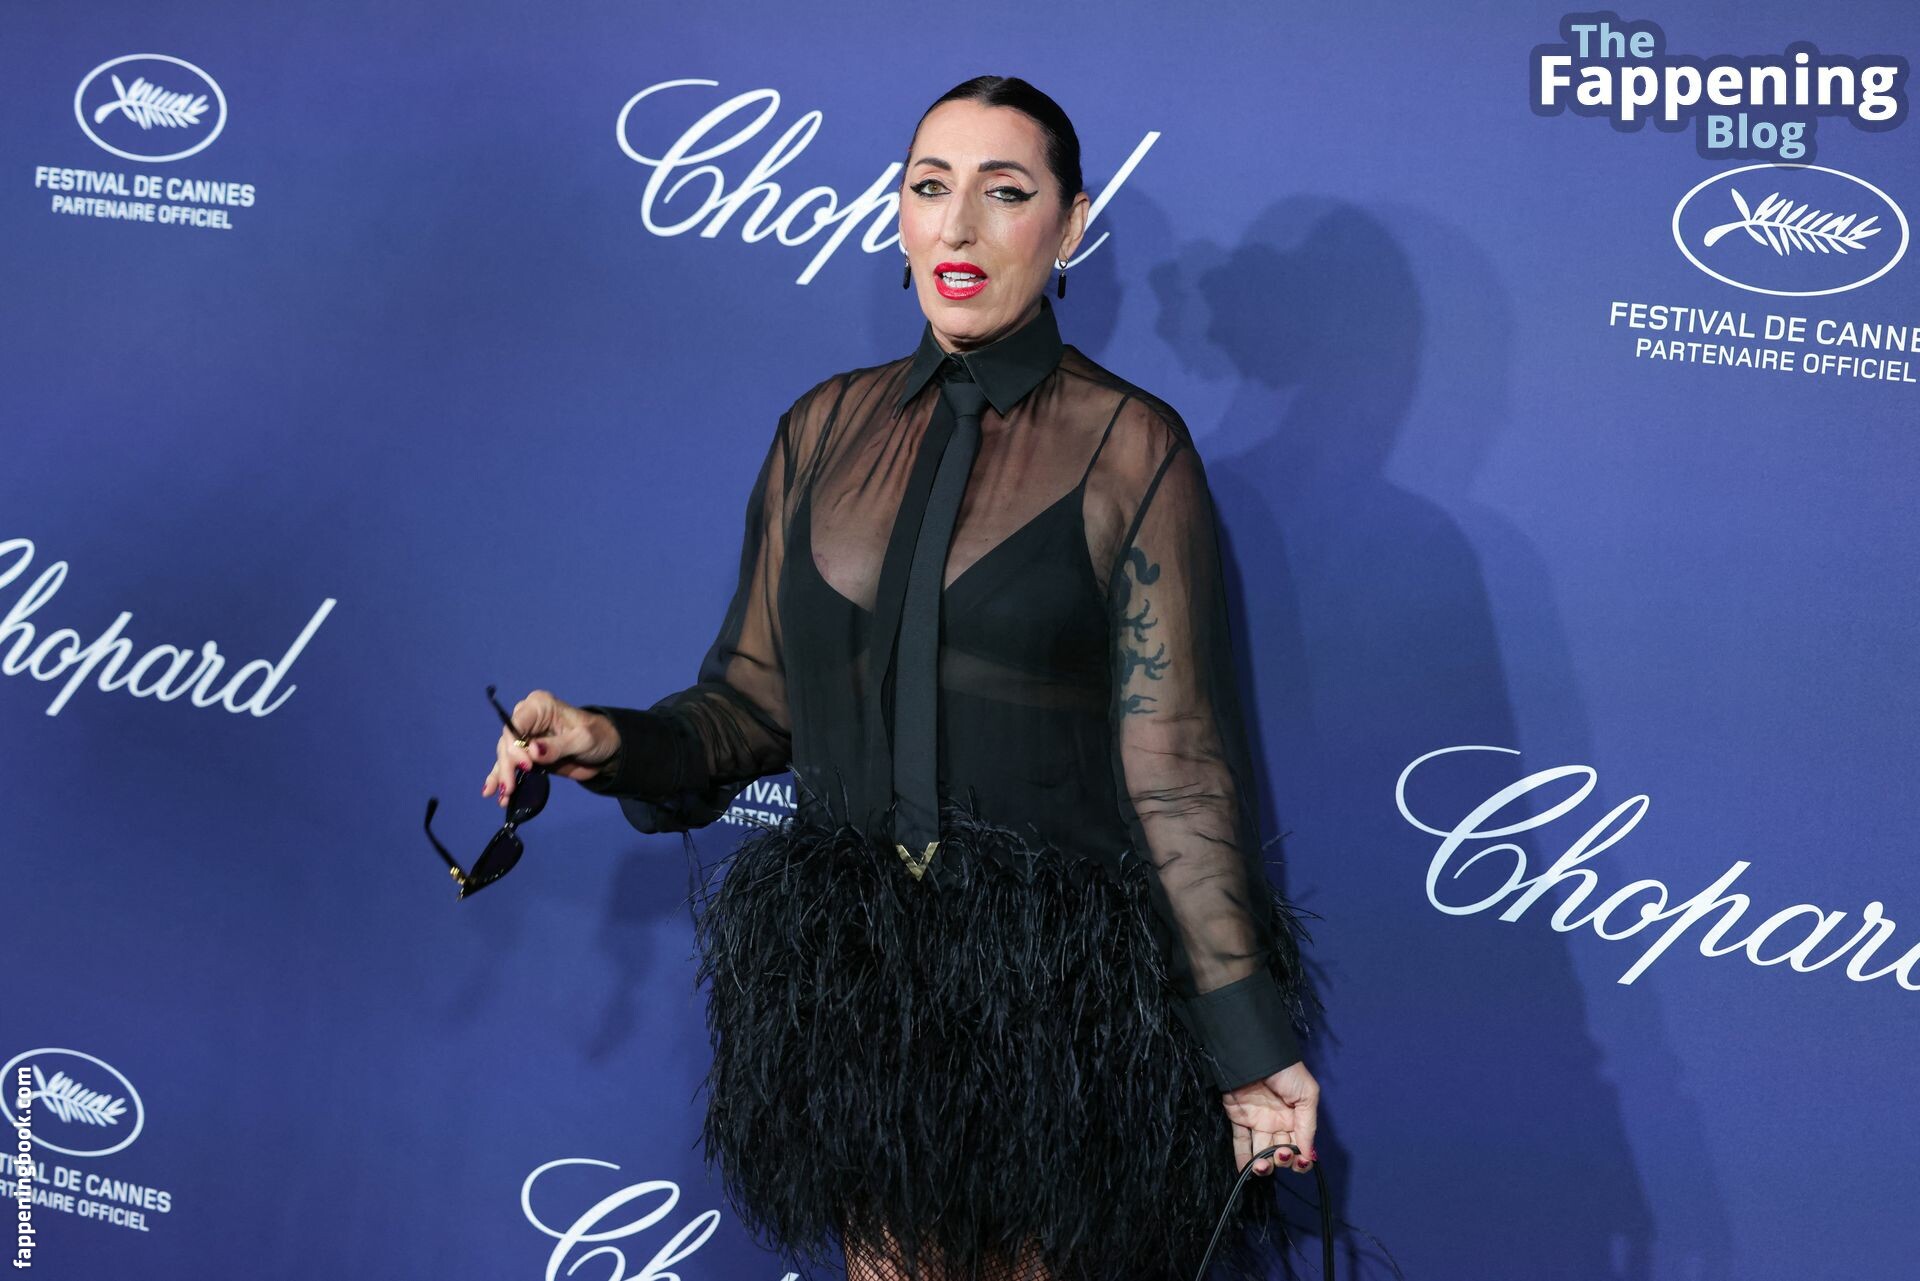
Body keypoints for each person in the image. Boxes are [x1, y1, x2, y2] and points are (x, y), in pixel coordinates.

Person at [483, 75, 1323, 1281]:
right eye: (931, 188)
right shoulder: (822, 431)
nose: (959, 225)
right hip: (867, 1003)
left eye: (1005, 192)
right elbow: (751, 705)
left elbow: (1178, 772)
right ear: (899, 216)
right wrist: (605, 742)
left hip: (1057, 1016)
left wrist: (1248, 1046)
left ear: (1072, 225)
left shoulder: (1130, 448)